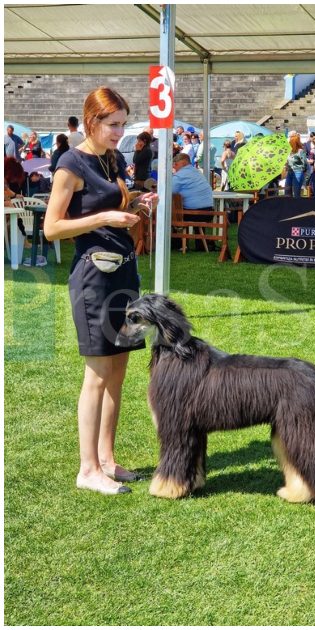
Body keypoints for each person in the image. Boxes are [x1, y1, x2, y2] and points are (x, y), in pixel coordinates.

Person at [42, 86, 157, 495]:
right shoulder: (70, 164)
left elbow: (114, 207)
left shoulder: (113, 159)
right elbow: (51, 228)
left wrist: (137, 205)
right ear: (92, 121)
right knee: (97, 374)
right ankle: (87, 469)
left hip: (124, 275)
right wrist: (104, 218)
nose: (120, 133)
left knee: (118, 370)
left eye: (124, 124)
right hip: (93, 278)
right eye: (113, 125)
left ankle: (106, 459)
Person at [285, 134, 307, 198]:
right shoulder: (289, 152)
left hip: (298, 172)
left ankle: (297, 203)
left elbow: (304, 163)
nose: (289, 143)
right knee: (287, 191)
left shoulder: (300, 151)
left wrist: (299, 167)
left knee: (296, 193)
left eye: (290, 142)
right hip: (290, 172)